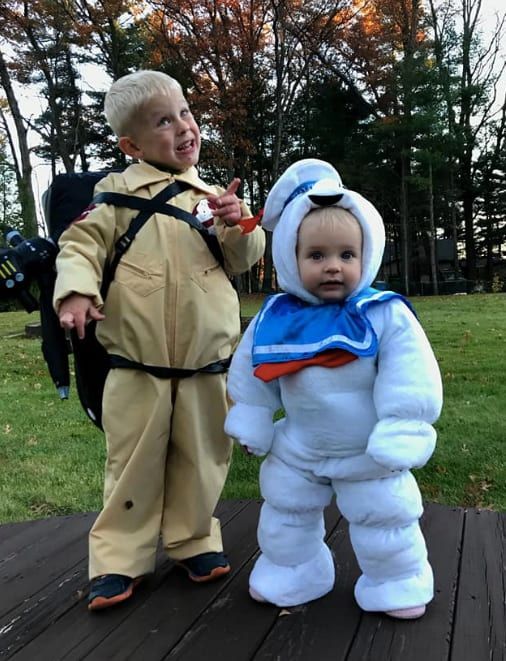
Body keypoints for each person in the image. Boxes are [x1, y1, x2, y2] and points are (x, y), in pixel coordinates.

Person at [53, 70, 265, 611]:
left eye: (186, 113)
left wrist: (239, 224)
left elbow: (245, 260)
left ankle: (194, 540)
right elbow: (77, 246)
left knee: (204, 459)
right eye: (163, 121)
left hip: (206, 367)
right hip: (136, 368)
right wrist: (74, 293)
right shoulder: (114, 200)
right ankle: (119, 560)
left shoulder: (215, 197)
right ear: (132, 145)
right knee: (132, 466)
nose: (183, 127)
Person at [225, 158, 443, 619]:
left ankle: (398, 580)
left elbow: (410, 372)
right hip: (299, 445)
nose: (332, 267)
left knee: (385, 519)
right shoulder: (275, 317)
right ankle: (294, 570)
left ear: (366, 256)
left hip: (367, 449)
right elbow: (250, 369)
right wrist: (253, 413)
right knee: (285, 515)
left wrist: (403, 424)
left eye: (346, 255)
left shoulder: (384, 313)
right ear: (289, 256)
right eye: (316, 255)